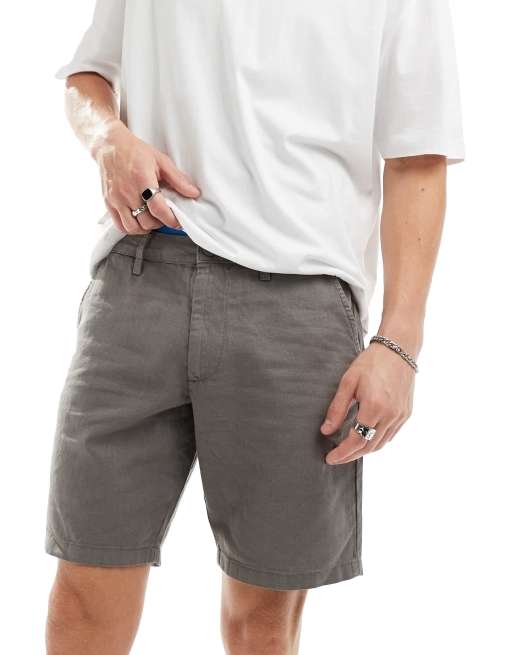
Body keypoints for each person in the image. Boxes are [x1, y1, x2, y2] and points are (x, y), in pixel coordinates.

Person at [45, 1, 464, 653]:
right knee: (82, 595)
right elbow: (88, 75)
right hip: (139, 277)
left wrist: (399, 344)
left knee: (260, 623)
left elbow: (417, 155)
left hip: (297, 301)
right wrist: (108, 140)